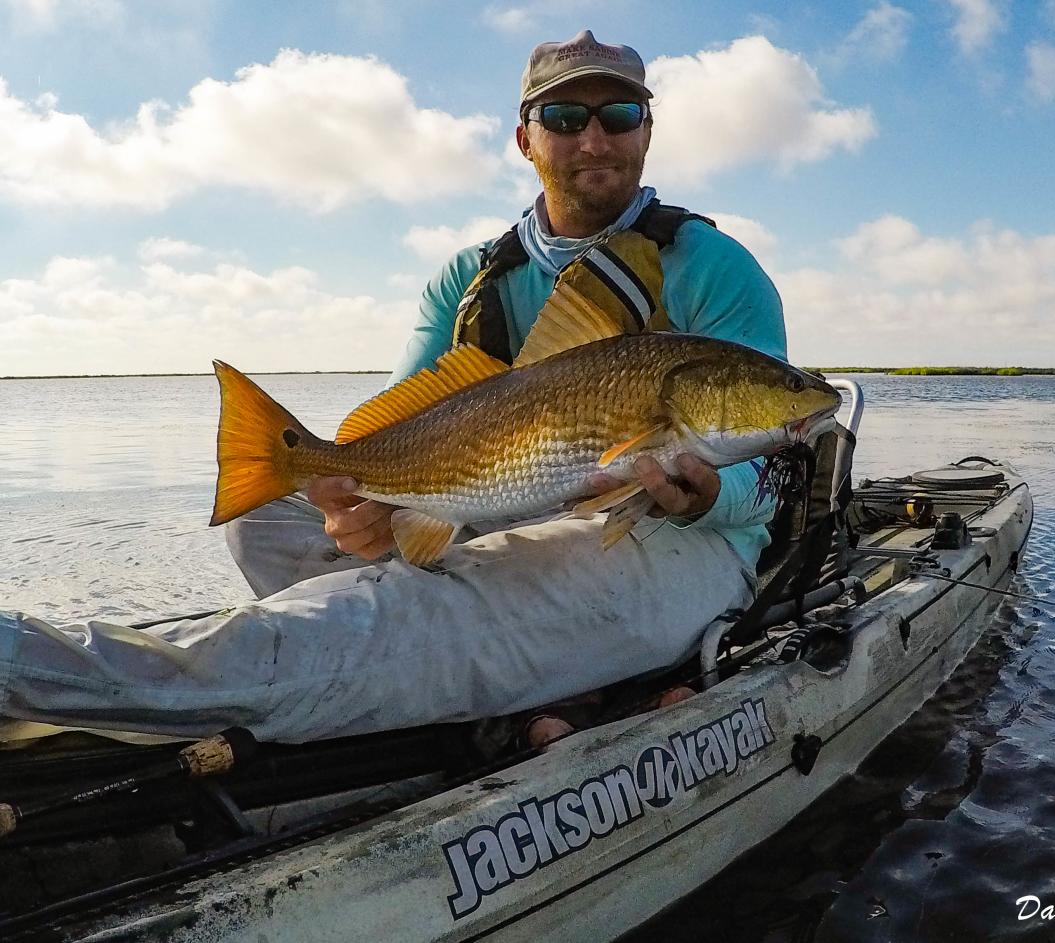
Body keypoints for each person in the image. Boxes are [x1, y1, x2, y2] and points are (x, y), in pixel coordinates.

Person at [0, 31, 788, 745]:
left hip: (672, 539)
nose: (594, 137)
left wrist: (707, 495)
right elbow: (402, 429)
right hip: (493, 498)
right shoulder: (470, 277)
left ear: (647, 132)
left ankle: (37, 669)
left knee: (419, 609)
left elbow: (773, 469)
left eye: (619, 113)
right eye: (562, 115)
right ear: (525, 137)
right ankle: (496, 684)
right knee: (268, 518)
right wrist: (363, 504)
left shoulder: (715, 267)